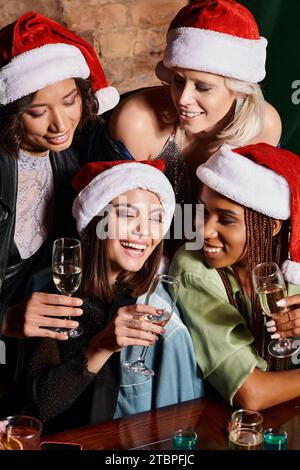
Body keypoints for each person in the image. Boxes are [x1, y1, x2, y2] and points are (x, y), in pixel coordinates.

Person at [23, 160, 203, 432]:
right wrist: (102, 345)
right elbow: (38, 407)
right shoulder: (56, 288)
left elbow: (179, 416)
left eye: (155, 219)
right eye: (128, 215)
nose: (144, 231)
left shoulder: (150, 307)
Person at [0, 11, 119, 402]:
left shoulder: (74, 148)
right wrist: (6, 319)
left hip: (31, 351)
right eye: (36, 112)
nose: (59, 123)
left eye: (69, 101)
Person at [106, 0, 281, 205]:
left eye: (203, 87)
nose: (182, 98)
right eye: (178, 80)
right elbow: (115, 221)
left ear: (239, 91)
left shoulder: (263, 127)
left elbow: (253, 221)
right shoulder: (136, 122)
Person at [170, 142, 300, 411]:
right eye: (203, 212)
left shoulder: (291, 263)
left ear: (272, 226)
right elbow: (252, 395)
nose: (205, 231)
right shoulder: (194, 270)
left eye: (226, 220)